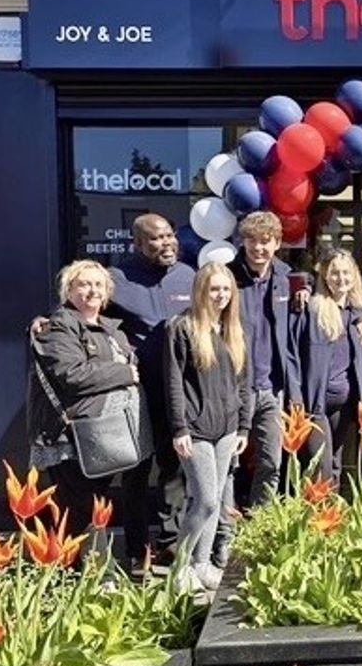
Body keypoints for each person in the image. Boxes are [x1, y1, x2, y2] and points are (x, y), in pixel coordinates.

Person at [27, 260, 150, 548]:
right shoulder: (57, 327)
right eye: (84, 284)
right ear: (68, 290)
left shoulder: (110, 328)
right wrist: (124, 373)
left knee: (97, 507)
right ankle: (80, 569)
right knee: (79, 511)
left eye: (98, 285)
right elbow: (71, 375)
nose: (92, 291)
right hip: (74, 438)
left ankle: (102, 565)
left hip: (108, 434)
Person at [107, 213, 195, 568]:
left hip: (177, 393)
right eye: (156, 238)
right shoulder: (117, 278)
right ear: (138, 244)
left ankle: (171, 543)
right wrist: (47, 321)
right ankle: (137, 548)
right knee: (137, 473)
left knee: (174, 471)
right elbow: (81, 309)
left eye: (169, 235)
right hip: (137, 396)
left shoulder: (188, 275)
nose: (167, 243)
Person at [164, 262, 251, 590]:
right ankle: (180, 568)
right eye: (214, 289)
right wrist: (179, 428)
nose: (221, 295)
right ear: (201, 290)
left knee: (215, 499)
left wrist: (243, 427)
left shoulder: (234, 329)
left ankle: (202, 565)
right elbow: (173, 382)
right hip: (195, 429)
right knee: (205, 501)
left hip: (227, 429)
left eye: (226, 289)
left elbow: (244, 383)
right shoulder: (182, 328)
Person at [231, 211, 303, 503]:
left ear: (277, 243)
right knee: (229, 462)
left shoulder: (287, 279)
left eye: (265, 241)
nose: (258, 248)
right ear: (243, 242)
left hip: (273, 388)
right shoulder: (227, 278)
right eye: (252, 240)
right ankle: (227, 523)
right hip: (236, 387)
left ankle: (261, 520)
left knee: (271, 462)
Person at [290, 249, 362, 480]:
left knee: (334, 464)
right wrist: (296, 398)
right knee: (320, 470)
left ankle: (333, 505)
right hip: (316, 405)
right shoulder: (311, 309)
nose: (341, 278)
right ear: (324, 275)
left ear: (354, 276)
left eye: (346, 272)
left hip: (344, 405)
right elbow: (293, 354)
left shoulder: (357, 313)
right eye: (334, 273)